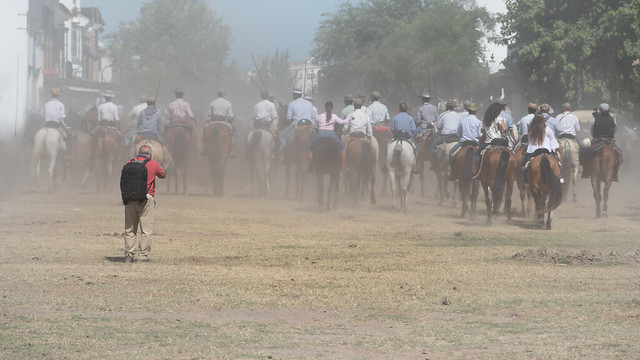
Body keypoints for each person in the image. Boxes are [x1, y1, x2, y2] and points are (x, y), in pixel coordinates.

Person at [123, 144, 166, 263]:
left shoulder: (129, 162)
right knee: (146, 229)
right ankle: (142, 256)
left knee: (130, 229)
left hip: (129, 198)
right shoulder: (152, 163)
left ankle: (129, 255)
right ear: (151, 154)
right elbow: (163, 175)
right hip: (146, 198)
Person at [521, 112, 562, 188]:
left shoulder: (530, 129)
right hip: (546, 151)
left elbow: (529, 141)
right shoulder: (548, 129)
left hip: (533, 152)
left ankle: (526, 181)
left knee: (523, 165)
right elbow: (553, 141)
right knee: (558, 163)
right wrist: (556, 150)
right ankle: (561, 178)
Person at [586, 103, 622, 181]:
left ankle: (586, 170)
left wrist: (595, 136)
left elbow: (592, 131)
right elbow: (615, 129)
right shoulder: (613, 119)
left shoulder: (595, 118)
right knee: (619, 154)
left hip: (597, 139)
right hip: (609, 140)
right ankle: (615, 172)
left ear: (600, 110)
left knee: (587, 154)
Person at [308, 101, 349, 168]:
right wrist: (349, 118)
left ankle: (310, 166)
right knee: (343, 148)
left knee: (310, 148)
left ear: (325, 107)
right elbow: (342, 122)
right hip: (331, 134)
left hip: (320, 134)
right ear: (332, 108)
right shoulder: (334, 116)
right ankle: (343, 166)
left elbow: (316, 126)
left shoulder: (319, 116)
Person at [474, 102, 510, 171]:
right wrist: (504, 133)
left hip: (489, 142)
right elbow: (504, 129)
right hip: (500, 142)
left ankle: (477, 170)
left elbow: (482, 131)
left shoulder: (485, 120)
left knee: (477, 154)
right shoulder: (500, 119)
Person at [448, 102, 482, 172]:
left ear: (468, 111)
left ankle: (453, 172)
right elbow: (480, 135)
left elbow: (458, 135)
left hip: (463, 143)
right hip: (475, 144)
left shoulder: (462, 121)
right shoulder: (478, 122)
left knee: (451, 152)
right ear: (475, 111)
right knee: (483, 157)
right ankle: (480, 172)